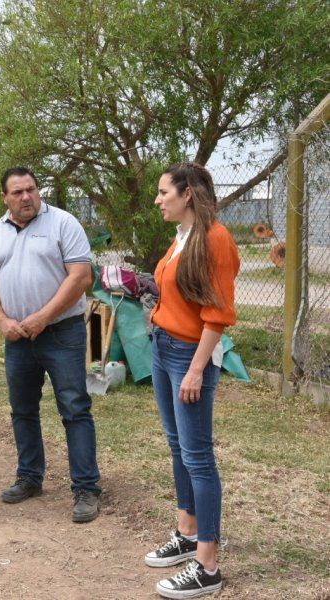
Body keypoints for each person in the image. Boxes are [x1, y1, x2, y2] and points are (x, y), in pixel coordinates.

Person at [0, 167, 102, 522]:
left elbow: (80, 277)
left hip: (61, 333)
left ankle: (86, 489)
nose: (26, 197)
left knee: (75, 408)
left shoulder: (63, 223)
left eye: (31, 189)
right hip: (16, 337)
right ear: (5, 198)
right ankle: (30, 478)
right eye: (17, 192)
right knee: (23, 410)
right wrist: (3, 322)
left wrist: (43, 317)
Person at [145, 163, 239, 598]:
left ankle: (208, 565)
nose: (159, 199)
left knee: (198, 456)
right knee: (177, 445)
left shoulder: (216, 239)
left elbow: (217, 315)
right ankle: (187, 531)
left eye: (164, 192)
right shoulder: (182, 235)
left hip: (188, 355)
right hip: (164, 348)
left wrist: (198, 368)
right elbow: (181, 292)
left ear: (187, 194)